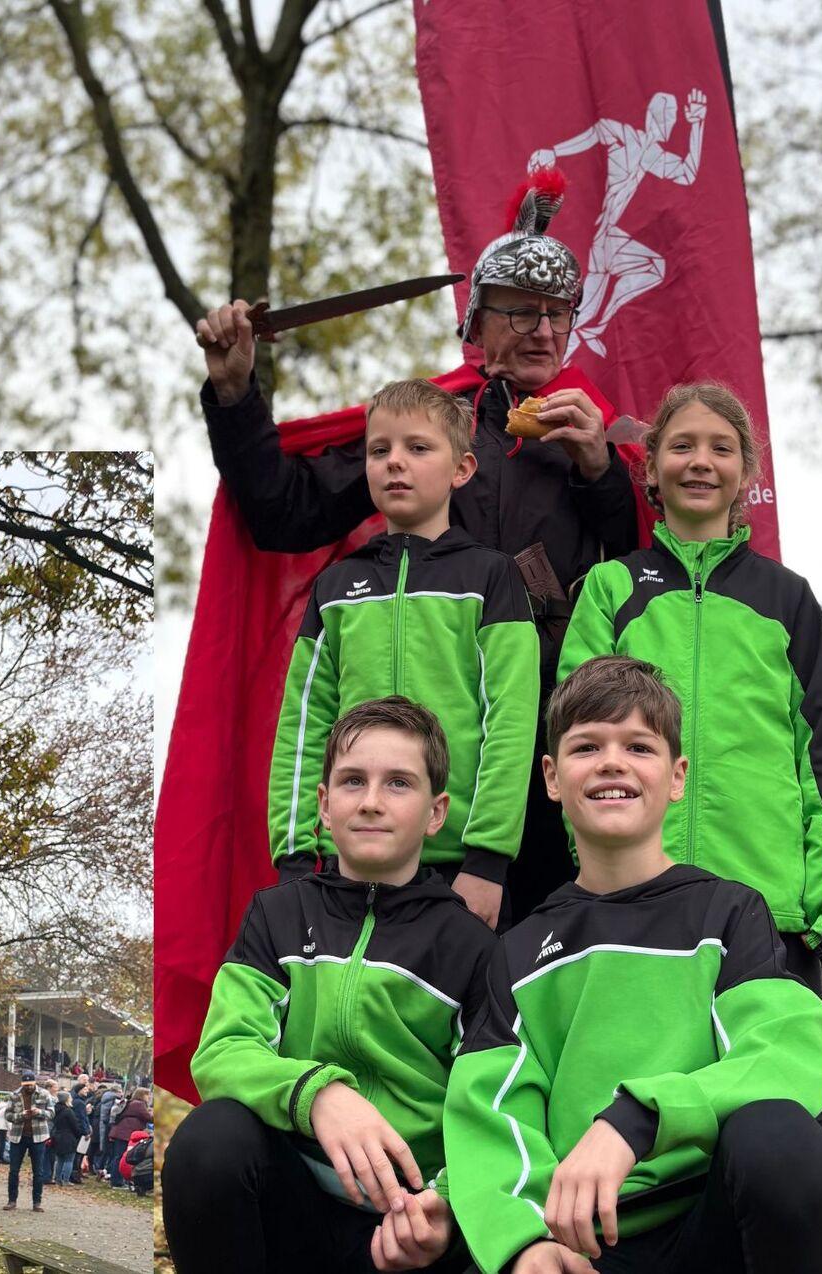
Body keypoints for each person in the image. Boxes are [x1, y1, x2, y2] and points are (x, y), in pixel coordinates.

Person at [196, 173, 641, 921]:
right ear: (478, 320)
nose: (541, 331)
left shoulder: (589, 432)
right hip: (426, 748)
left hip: (554, 732)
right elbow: (283, 512)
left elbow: (639, 567)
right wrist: (237, 395)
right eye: (520, 312)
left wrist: (599, 468)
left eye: (556, 315)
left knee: (546, 954)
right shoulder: (429, 428)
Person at [557, 382, 822, 1264]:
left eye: (720, 448)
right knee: (652, 1108)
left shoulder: (785, 599)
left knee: (795, 1122)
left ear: (745, 474)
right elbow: (576, 740)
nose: (700, 461)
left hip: (769, 912)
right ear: (649, 469)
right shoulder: (612, 589)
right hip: (642, 907)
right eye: (680, 446)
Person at [444, 657, 822, 1274]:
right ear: (552, 778)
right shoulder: (518, 950)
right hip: (582, 1245)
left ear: (677, 776)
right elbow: (491, 1116)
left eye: (639, 745)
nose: (612, 762)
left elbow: (784, 1055)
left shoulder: (730, 914)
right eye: (586, 747)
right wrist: (526, 1241)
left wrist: (639, 1119)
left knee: (778, 1134)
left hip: (712, 1224)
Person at [163, 698, 492, 1273]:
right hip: (294, 1207)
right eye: (352, 781)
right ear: (323, 804)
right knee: (208, 1139)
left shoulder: (472, 947)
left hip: (410, 1226)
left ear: (436, 812)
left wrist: (445, 1206)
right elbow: (222, 1051)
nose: (370, 801)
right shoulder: (275, 915)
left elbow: (487, 1105)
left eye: (398, 783)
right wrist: (320, 1094)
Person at [270, 377, 539, 930]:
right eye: (380, 450)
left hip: (459, 870)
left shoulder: (492, 577)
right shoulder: (335, 587)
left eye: (418, 448)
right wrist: (296, 861)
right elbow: (303, 724)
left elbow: (511, 721)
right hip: (344, 867)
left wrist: (488, 861)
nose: (396, 462)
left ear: (461, 470)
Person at [1, 1072, 53, 1212]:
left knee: (38, 1171)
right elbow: (8, 1115)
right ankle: (12, 1201)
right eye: (26, 1085)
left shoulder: (44, 1094)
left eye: (31, 1085)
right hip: (18, 1136)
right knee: (13, 1170)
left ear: (35, 1083)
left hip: (39, 1136)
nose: (28, 1087)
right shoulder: (14, 1095)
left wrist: (39, 1113)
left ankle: (37, 1202)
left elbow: (52, 1113)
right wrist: (21, 1116)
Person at [49, 1090, 85, 1186]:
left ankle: (57, 1179)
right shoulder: (68, 1111)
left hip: (58, 1135)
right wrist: (79, 1134)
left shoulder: (55, 1110)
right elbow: (75, 1125)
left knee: (60, 1159)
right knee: (69, 1160)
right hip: (68, 1137)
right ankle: (65, 1179)